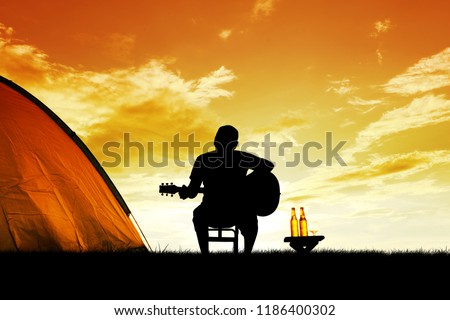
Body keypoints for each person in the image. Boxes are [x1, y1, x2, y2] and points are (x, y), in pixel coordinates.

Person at [178, 125, 275, 254]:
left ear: (215, 141)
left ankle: (205, 254)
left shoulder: (203, 159)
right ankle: (247, 254)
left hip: (211, 212)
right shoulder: (242, 157)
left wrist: (186, 193)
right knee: (250, 217)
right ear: (235, 143)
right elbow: (268, 165)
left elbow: (192, 192)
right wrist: (248, 183)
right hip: (238, 212)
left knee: (199, 215)